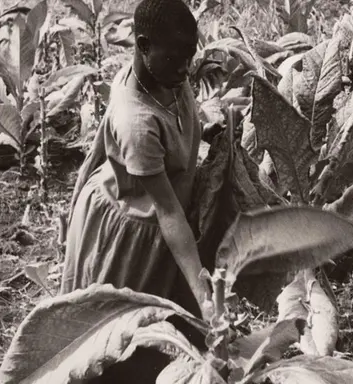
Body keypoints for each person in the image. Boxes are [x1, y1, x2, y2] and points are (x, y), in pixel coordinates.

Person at [60, 0, 211, 381]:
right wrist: (203, 293)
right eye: (177, 58)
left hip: (146, 214)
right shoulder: (139, 122)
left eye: (189, 56)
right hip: (132, 233)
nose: (185, 67)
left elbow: (98, 144)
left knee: (164, 337)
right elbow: (169, 213)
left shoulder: (165, 73)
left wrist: (77, 191)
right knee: (116, 343)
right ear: (143, 46)